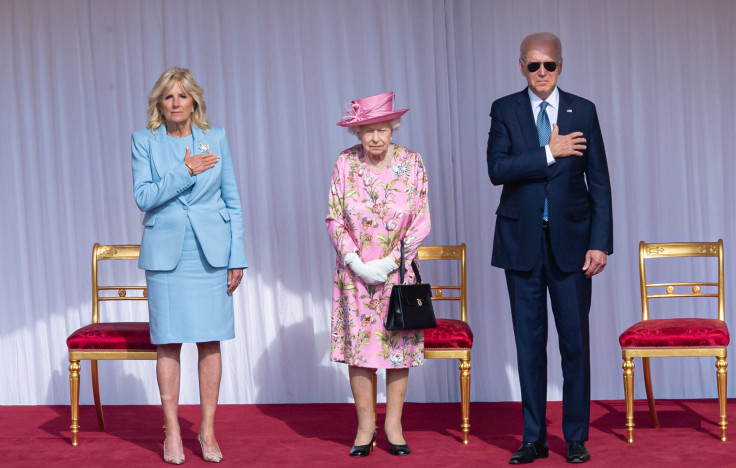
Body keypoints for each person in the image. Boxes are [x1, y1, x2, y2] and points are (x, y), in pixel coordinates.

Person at [487, 33, 613, 464]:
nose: (542, 73)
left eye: (550, 65)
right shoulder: (504, 109)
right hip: (521, 243)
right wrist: (548, 151)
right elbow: (497, 169)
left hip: (574, 247)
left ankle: (575, 436)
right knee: (529, 345)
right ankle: (533, 438)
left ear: (562, 65)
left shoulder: (585, 110)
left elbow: (599, 182)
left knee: (575, 343)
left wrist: (601, 243)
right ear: (521, 66)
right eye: (534, 65)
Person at [131, 67, 247, 464]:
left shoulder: (216, 138)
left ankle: (208, 431)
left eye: (183, 96)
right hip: (166, 256)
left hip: (211, 253)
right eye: (169, 97)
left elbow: (232, 200)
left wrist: (237, 256)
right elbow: (144, 196)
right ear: (159, 104)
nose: (176, 103)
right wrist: (186, 170)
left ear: (194, 100)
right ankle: (173, 432)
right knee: (168, 341)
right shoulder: (144, 141)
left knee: (210, 340)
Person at [326, 92, 431, 457]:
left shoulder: (412, 163)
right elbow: (334, 217)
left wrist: (388, 264)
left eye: (382, 129)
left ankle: (394, 425)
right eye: (368, 130)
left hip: (398, 274)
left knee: (397, 348)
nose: (375, 138)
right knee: (360, 350)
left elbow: (421, 220)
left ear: (393, 128)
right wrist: (356, 262)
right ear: (357, 133)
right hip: (354, 276)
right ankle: (365, 426)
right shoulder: (344, 164)